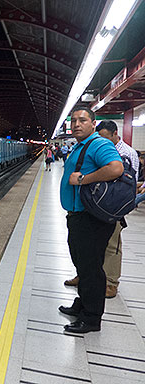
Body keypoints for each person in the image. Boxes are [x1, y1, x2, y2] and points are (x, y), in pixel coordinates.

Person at [58, 106, 123, 334]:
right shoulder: (82, 145)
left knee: (91, 269)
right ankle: (82, 305)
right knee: (82, 265)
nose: (76, 124)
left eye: (82, 120)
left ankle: (91, 318)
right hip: (79, 216)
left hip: (91, 218)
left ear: (93, 124)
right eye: (73, 120)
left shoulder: (99, 144)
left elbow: (116, 168)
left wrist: (84, 179)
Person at [64, 120, 139, 298]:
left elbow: (129, 183)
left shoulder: (127, 153)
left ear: (115, 134)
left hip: (111, 207)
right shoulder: (96, 147)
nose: (101, 141)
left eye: (105, 138)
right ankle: (84, 277)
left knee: (112, 246)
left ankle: (111, 282)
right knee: (90, 251)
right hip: (92, 206)